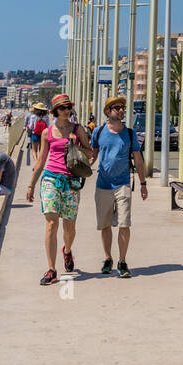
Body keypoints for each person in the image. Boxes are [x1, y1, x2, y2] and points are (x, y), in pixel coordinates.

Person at [25, 93, 92, 286]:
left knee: (69, 227)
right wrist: (31, 184)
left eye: (68, 107)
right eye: (62, 108)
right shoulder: (47, 132)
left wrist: (75, 144)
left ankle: (67, 250)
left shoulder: (78, 130)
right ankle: (51, 269)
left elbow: (90, 153)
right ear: (55, 111)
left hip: (71, 181)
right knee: (51, 223)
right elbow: (40, 160)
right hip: (51, 180)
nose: (66, 111)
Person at [90, 95, 147, 278]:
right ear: (108, 112)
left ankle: (122, 261)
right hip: (103, 184)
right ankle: (108, 258)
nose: (121, 110)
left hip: (122, 183)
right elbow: (92, 156)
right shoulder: (98, 132)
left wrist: (143, 183)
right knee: (105, 225)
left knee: (124, 224)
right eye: (117, 107)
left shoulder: (130, 134)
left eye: (122, 107)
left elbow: (138, 159)